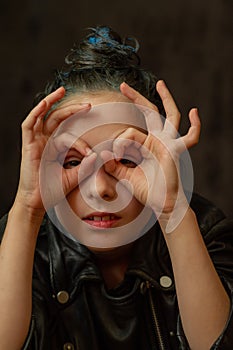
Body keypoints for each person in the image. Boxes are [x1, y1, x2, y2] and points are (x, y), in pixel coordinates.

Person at [0, 25, 233, 350]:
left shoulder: (205, 229)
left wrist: (171, 210)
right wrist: (27, 207)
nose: (101, 190)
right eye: (72, 162)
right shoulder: (24, 241)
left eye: (127, 160)